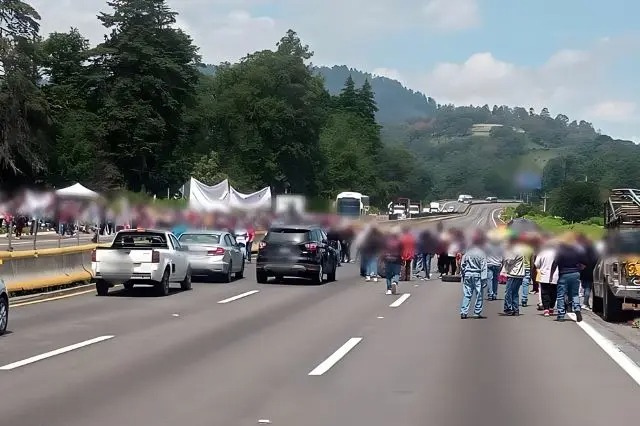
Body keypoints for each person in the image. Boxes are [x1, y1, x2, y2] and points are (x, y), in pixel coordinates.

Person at [551, 232, 587, 322]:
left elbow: (555, 263)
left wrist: (551, 274)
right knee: (575, 294)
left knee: (561, 295)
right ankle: (577, 309)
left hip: (564, 274)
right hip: (575, 273)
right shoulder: (576, 250)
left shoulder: (560, 251)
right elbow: (584, 262)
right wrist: (579, 269)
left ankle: (561, 315)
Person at [460, 232, 488, 319]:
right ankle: (477, 312)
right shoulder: (481, 253)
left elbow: (462, 265)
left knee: (467, 294)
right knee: (479, 294)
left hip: (468, 274)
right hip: (477, 275)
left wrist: (463, 274)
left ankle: (464, 312)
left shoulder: (467, 253)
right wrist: (484, 279)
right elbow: (484, 267)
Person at [502, 232, 527, 316]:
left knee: (509, 292)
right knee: (515, 292)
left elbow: (509, 261)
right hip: (519, 274)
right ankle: (515, 309)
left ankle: (509, 308)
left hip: (513, 273)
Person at [534, 239, 559, 316]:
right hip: (555, 275)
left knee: (545, 292)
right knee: (553, 292)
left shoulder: (542, 253)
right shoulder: (557, 253)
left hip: (544, 275)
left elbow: (537, 264)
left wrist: (542, 267)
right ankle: (551, 307)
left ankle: (546, 309)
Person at [576, 233, 598, 310]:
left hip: (583, 270)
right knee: (588, 288)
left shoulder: (583, 250)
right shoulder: (594, 252)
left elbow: (579, 259)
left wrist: (581, 265)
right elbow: (595, 260)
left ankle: (583, 303)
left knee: (584, 287)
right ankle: (585, 303)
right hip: (591, 271)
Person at [484, 229, 504, 300]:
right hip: (498, 264)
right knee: (496, 280)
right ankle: (495, 294)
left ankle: (490, 294)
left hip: (489, 264)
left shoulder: (487, 245)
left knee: (489, 279)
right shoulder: (501, 246)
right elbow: (503, 256)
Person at [383, 227, 403, 295]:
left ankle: (389, 289)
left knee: (388, 275)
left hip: (388, 259)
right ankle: (395, 282)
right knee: (397, 273)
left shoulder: (386, 241)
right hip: (397, 259)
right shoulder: (399, 241)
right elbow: (401, 250)